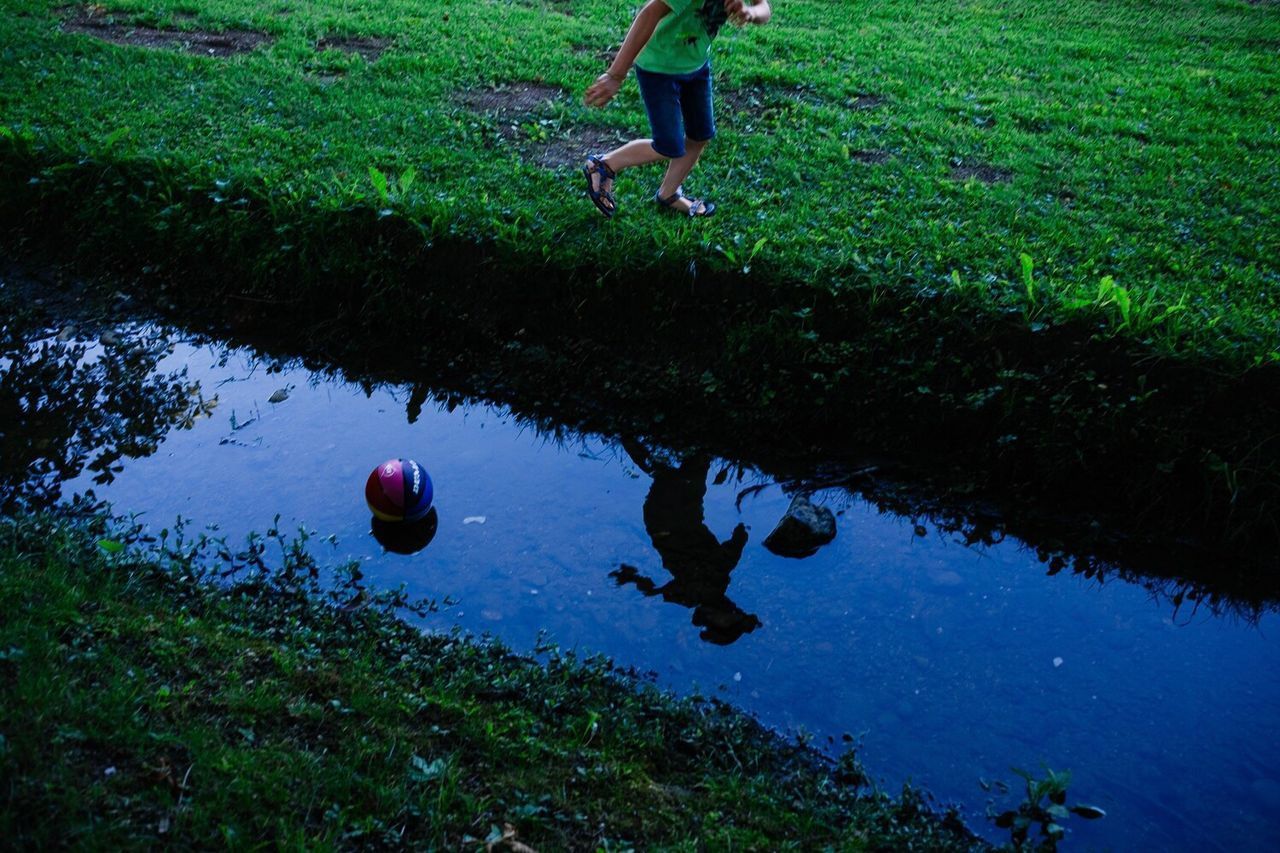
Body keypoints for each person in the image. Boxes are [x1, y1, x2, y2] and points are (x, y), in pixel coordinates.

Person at [582, 0, 773, 218]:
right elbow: (649, 13)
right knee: (668, 145)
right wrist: (615, 75)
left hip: (696, 65)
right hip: (659, 69)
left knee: (700, 135)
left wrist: (750, 12)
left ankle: (669, 194)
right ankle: (604, 164)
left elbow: (764, 9)